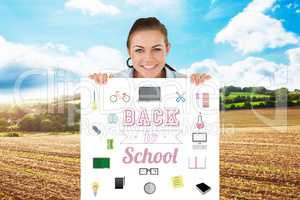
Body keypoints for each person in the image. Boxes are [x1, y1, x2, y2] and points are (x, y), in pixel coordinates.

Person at [89, 17, 210, 85]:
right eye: (139, 50)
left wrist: (202, 85)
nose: (148, 58)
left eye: (156, 49)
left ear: (167, 49)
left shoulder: (187, 84)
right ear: (129, 52)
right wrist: (96, 85)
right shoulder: (112, 83)